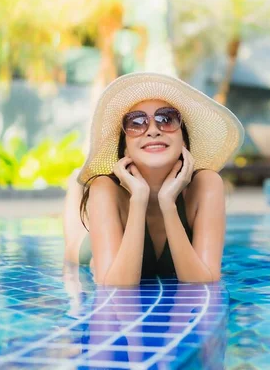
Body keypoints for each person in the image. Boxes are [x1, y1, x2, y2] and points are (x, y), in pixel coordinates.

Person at [62, 72, 244, 286]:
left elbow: (204, 280)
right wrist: (138, 199)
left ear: (184, 140)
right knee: (74, 242)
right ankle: (75, 184)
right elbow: (115, 285)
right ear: (125, 148)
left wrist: (168, 203)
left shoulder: (207, 184)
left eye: (166, 119)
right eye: (136, 122)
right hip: (95, 252)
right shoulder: (106, 188)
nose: (153, 131)